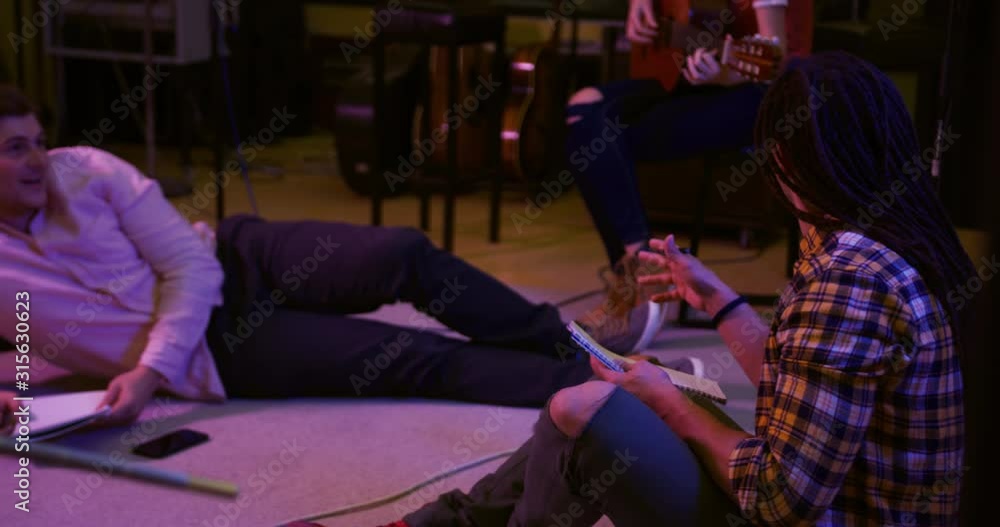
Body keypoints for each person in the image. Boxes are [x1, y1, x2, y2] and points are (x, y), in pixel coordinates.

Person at [373, 51, 973, 527]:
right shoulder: (886, 243)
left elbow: (779, 500)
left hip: (800, 510)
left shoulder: (847, 282)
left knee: (582, 410)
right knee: (618, 390)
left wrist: (669, 402)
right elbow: (798, 389)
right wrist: (718, 299)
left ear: (787, 163)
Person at [0, 84, 697, 428]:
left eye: (35, 140)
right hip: (214, 348)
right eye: (12, 148)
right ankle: (622, 389)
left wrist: (145, 373)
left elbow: (190, 266)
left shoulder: (88, 169)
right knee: (410, 356)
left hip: (233, 257)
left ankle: (579, 344)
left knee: (405, 253)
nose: (36, 159)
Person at [567, 0, 814, 346]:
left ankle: (638, 287)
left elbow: (773, 61)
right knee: (582, 112)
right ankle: (638, 272)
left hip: (762, 93)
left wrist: (723, 73)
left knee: (600, 143)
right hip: (692, 79)